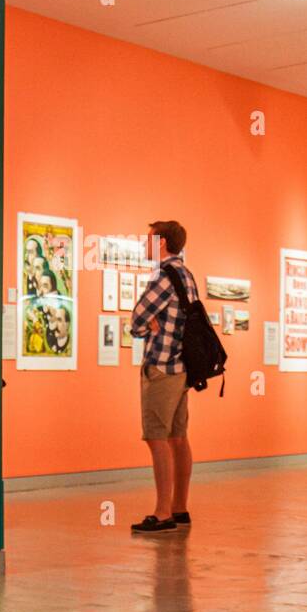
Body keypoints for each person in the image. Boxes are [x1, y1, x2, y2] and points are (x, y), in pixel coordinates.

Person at [129, 220, 199, 533]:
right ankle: (179, 508)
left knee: (156, 438)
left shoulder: (163, 276)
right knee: (178, 438)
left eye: (149, 240)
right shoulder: (186, 275)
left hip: (161, 366)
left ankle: (161, 513)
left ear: (161, 242)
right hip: (182, 368)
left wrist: (145, 327)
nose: (145, 245)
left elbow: (138, 316)